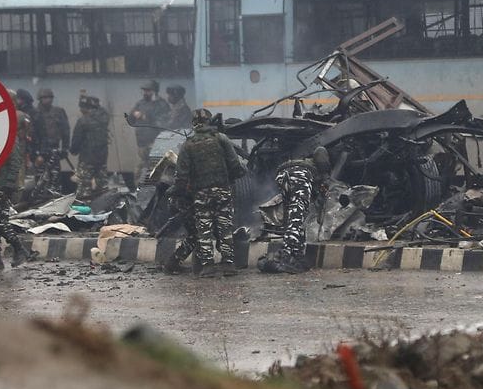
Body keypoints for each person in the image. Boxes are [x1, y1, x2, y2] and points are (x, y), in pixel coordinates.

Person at [168, 109, 245, 277]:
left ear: (194, 124)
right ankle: (228, 264)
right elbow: (236, 166)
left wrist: (179, 195)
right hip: (222, 190)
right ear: (210, 122)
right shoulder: (221, 139)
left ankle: (208, 266)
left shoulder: (188, 145)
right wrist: (231, 178)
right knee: (225, 227)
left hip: (201, 194)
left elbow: (181, 176)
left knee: (204, 229)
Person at [0, 95, 39, 270]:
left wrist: (9, 184)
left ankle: (20, 249)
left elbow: (15, 162)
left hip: (1, 187)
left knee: (0, 222)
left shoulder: (6, 137)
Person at [260, 147, 332, 274]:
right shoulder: (319, 171)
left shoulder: (308, 166)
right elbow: (321, 154)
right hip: (300, 174)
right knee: (296, 217)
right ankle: (286, 255)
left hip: (282, 175)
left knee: (292, 217)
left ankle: (297, 255)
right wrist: (325, 182)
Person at [31, 88, 70, 199]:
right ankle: (39, 199)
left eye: (49, 97)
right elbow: (32, 134)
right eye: (44, 98)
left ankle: (55, 198)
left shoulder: (59, 112)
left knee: (55, 176)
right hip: (39, 151)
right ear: (40, 99)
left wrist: (65, 148)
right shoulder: (35, 113)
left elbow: (65, 131)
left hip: (54, 149)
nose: (47, 100)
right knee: (40, 177)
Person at [69, 94, 110, 201]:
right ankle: (103, 207)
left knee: (84, 189)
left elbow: (76, 140)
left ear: (85, 108)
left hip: (87, 159)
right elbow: (103, 110)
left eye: (81, 107)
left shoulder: (83, 121)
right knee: (102, 187)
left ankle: (83, 211)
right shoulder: (104, 118)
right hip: (102, 159)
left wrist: (73, 151)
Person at [129, 80, 170, 179]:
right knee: (143, 167)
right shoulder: (140, 103)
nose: (145, 93)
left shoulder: (162, 104)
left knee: (155, 167)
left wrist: (145, 117)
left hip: (155, 142)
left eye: (147, 90)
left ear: (154, 91)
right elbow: (131, 119)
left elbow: (162, 123)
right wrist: (134, 115)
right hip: (142, 142)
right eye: (144, 90)